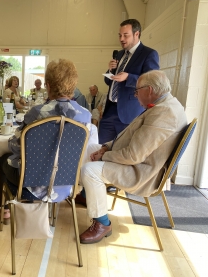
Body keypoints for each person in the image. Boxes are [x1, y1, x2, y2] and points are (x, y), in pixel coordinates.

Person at [78, 70, 187, 244]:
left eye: (137, 90)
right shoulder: (165, 104)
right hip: (136, 161)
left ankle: (102, 223)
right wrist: (105, 147)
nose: (135, 95)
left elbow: (133, 155)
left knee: (90, 170)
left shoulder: (164, 113)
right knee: (89, 148)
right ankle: (87, 193)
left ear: (149, 90)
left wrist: (104, 156)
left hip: (141, 172)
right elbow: (130, 139)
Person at [0, 59, 93, 224]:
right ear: (73, 85)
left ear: (47, 85)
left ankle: (5, 209)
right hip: (67, 186)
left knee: (2, 159)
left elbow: (16, 147)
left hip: (32, 186)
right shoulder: (85, 115)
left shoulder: (37, 113)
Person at [99, 19, 159, 144]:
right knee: (101, 149)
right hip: (109, 112)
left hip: (129, 114)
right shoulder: (119, 54)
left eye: (126, 35)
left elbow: (152, 83)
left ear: (136, 34)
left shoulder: (149, 54)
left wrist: (128, 77)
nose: (121, 39)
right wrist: (110, 70)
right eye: (120, 35)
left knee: (122, 153)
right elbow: (108, 81)